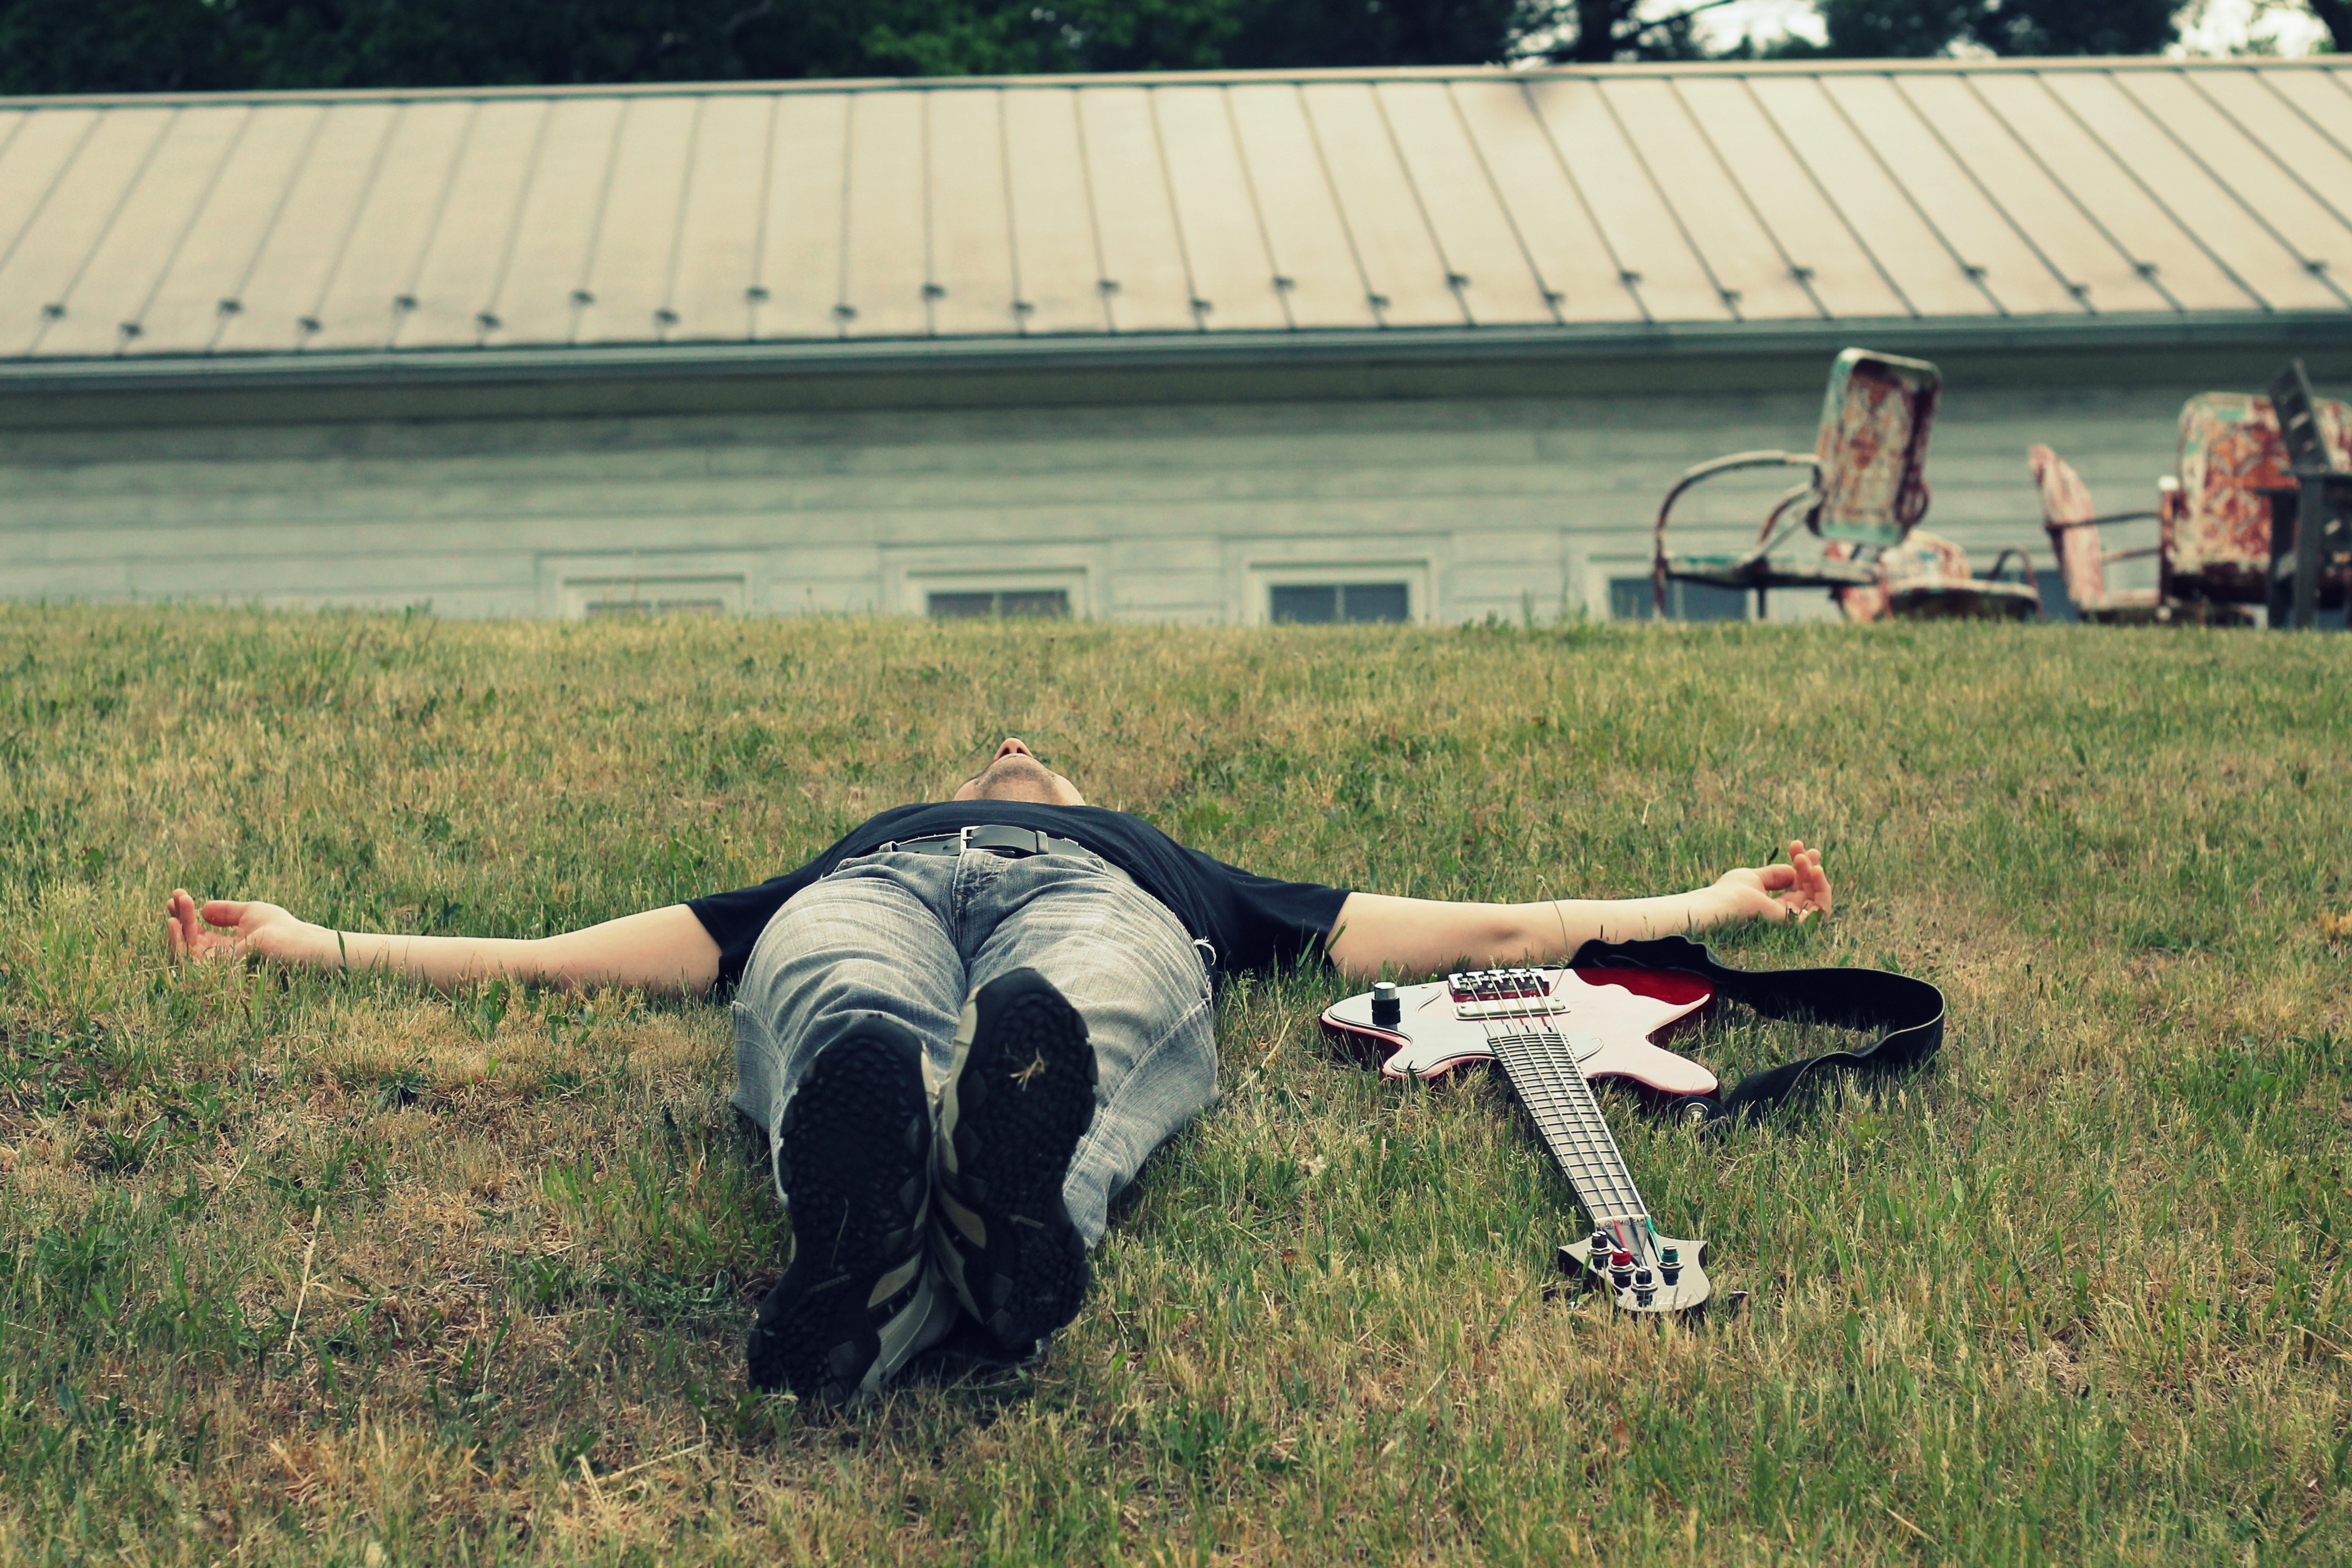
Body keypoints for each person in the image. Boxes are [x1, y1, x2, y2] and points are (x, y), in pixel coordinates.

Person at [164, 737, 1831, 1406]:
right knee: (839, 1002)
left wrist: (1703, 906)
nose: (1016, 744)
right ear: (960, 782)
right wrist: (314, 944)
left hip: (1102, 911)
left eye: (1038, 752)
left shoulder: (1170, 862)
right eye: (995, 752)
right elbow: (562, 958)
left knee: (1076, 1006)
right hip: (870, 903)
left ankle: (914, 1256)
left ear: (1079, 788)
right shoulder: (864, 844)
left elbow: (1481, 929)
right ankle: (932, 1208)